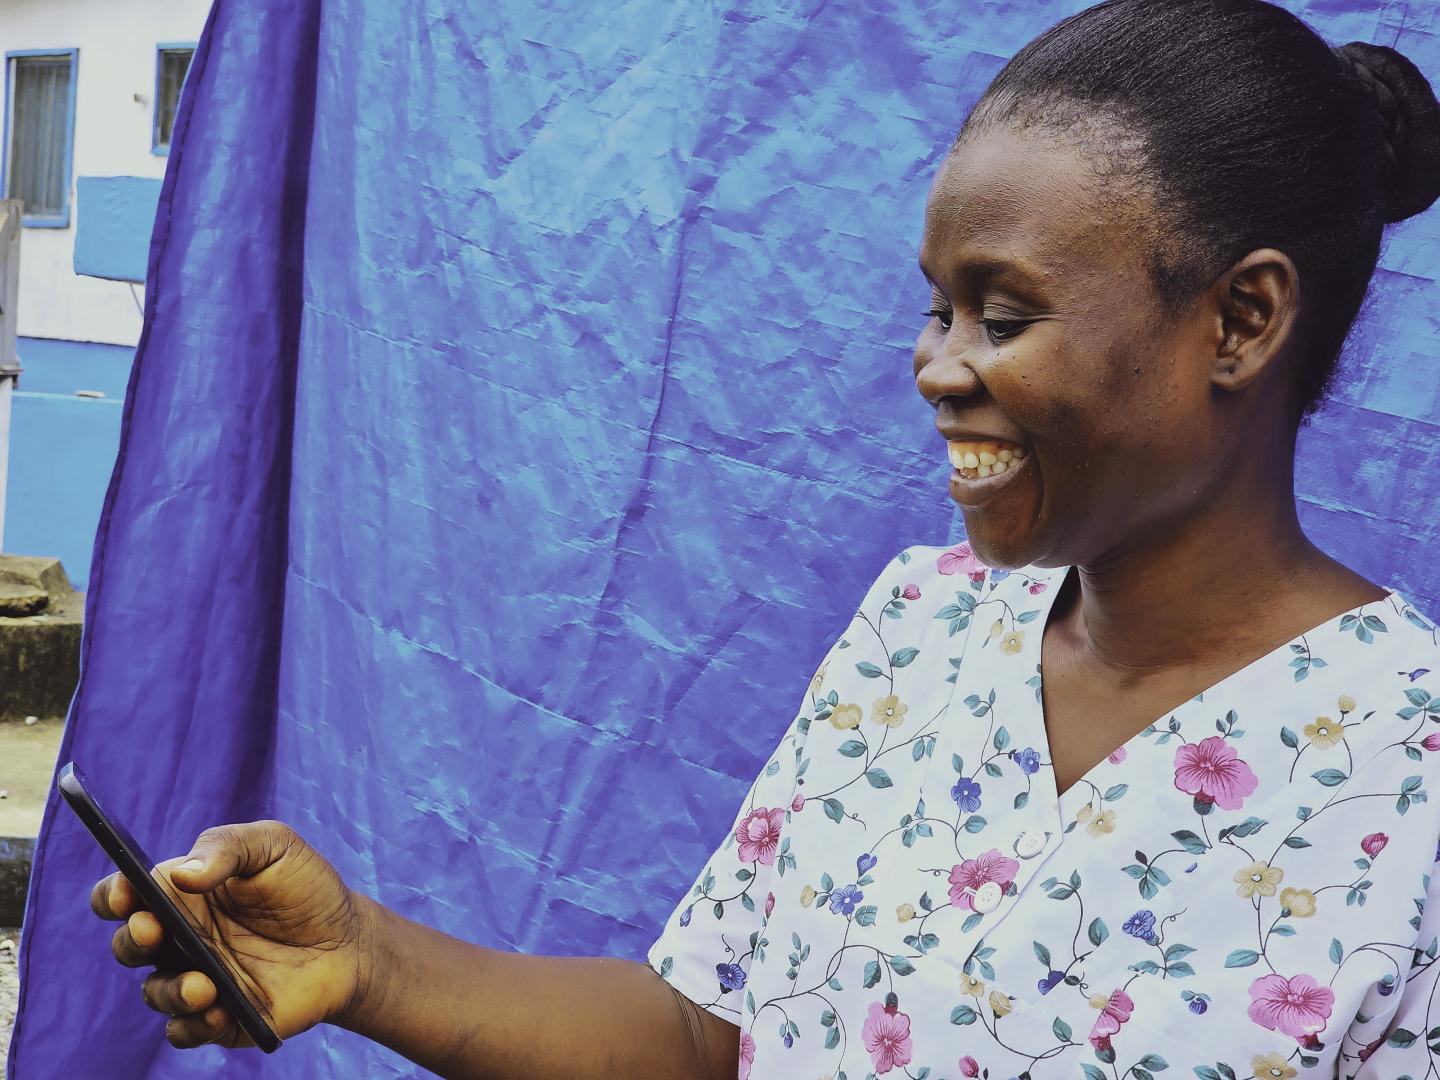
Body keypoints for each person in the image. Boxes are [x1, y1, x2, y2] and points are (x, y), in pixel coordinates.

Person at [90, 0, 1440, 1075]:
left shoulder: (1407, 782)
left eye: (1004, 316)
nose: (938, 367)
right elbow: (709, 1038)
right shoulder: (922, 631)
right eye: (937, 310)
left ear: (1245, 320)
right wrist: (365, 962)